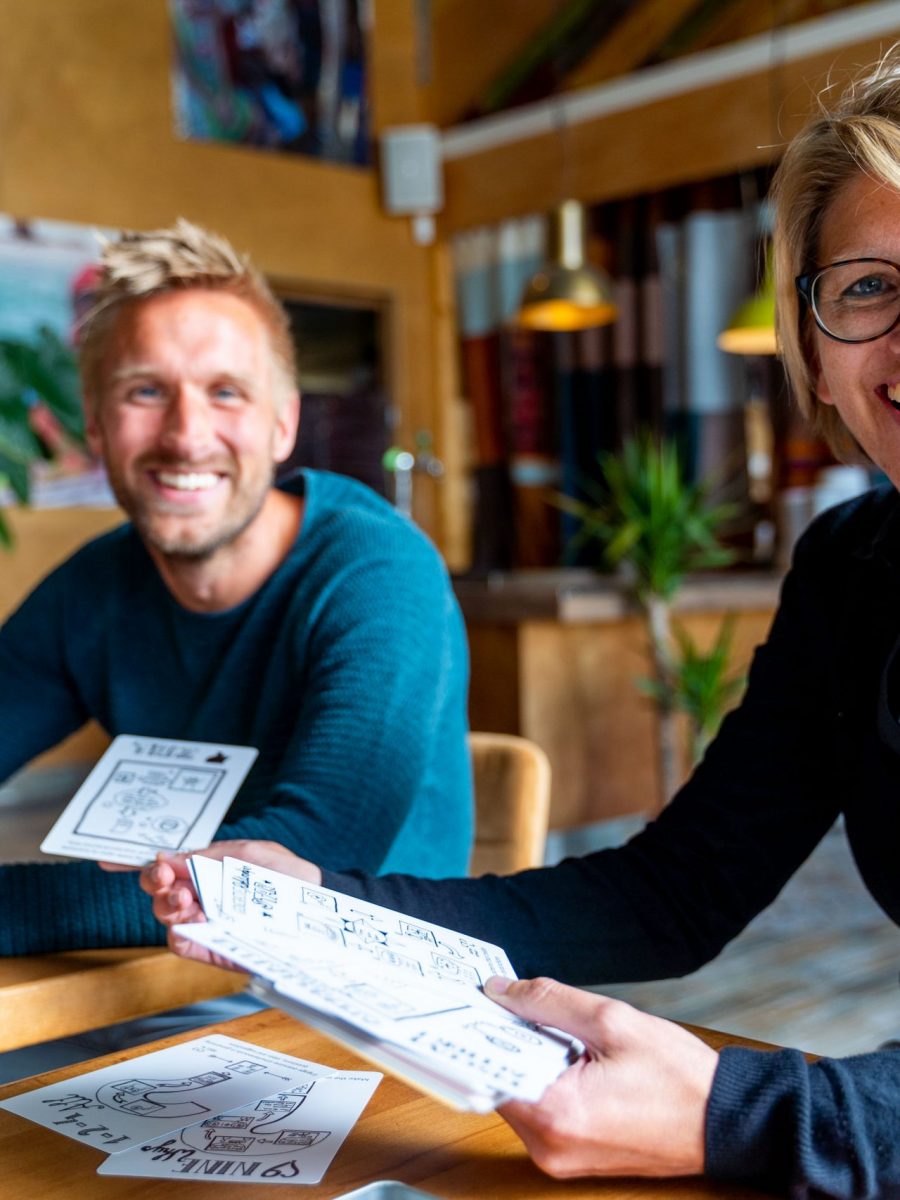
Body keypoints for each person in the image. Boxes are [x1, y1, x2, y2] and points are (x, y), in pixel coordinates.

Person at [144, 52, 900, 1200]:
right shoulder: (855, 570)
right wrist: (326, 900)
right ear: (819, 358)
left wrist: (742, 1114)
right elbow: (671, 897)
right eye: (867, 287)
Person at [0, 218, 472, 956]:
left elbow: (307, 858)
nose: (187, 435)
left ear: (283, 425)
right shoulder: (91, 590)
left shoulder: (377, 573)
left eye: (225, 392)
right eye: (146, 391)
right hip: (160, 980)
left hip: (370, 996)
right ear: (95, 426)